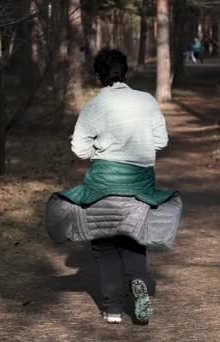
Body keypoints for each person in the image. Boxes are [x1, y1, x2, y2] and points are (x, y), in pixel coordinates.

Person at [69, 48, 171, 324]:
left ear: (99, 76)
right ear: (125, 72)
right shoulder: (146, 101)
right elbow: (160, 141)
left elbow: (79, 149)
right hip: (140, 185)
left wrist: (101, 150)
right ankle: (138, 281)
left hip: (103, 183)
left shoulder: (94, 106)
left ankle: (113, 309)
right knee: (134, 240)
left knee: (104, 245)